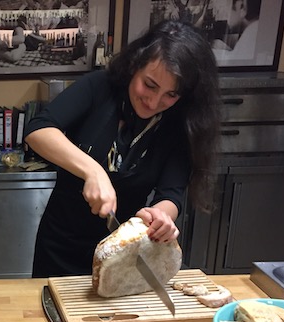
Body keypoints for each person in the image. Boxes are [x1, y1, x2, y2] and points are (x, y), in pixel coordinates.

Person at [24, 19, 221, 278]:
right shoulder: (99, 87)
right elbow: (38, 129)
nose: (153, 102)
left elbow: (171, 194)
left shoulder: (180, 123)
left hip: (122, 252)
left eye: (170, 95)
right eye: (149, 85)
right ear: (134, 65)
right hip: (60, 247)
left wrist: (159, 217)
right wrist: (93, 172)